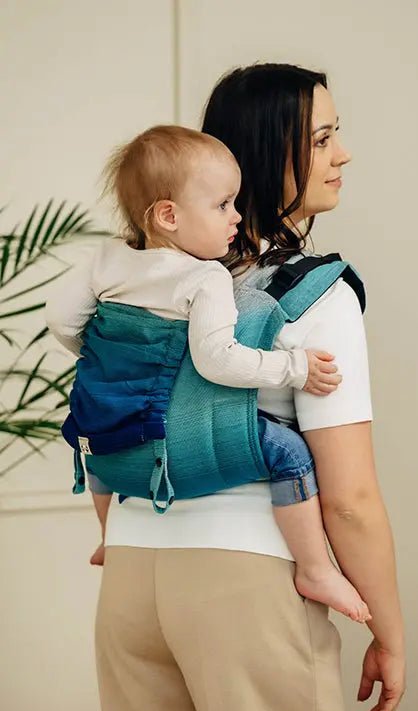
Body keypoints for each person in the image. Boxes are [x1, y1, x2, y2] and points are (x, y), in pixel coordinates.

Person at [72, 63, 407, 711]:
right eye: (321, 139)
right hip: (249, 583)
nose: (342, 154)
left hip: (130, 575)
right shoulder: (315, 293)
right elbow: (349, 499)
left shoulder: (140, 277)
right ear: (265, 150)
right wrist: (388, 629)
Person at [46, 123, 371, 623]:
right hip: (169, 428)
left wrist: (103, 355)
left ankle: (109, 538)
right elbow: (218, 360)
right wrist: (295, 368)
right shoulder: (204, 277)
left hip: (110, 426)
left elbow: (62, 322)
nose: (237, 217)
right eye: (223, 205)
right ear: (169, 215)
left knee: (95, 441)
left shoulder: (107, 258)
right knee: (288, 453)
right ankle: (315, 567)